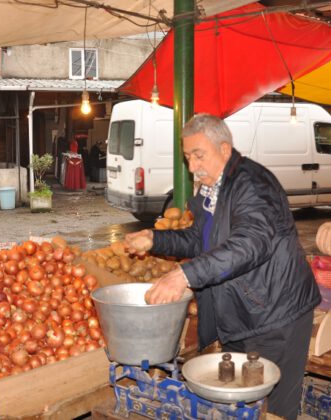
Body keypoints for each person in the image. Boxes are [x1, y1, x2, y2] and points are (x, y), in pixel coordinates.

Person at [125, 114, 320, 419]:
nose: (192, 166)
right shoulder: (210, 188)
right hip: (243, 312)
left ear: (225, 150)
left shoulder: (253, 184)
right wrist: (155, 239)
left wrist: (186, 275)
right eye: (188, 157)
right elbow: (197, 239)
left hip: (275, 314)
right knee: (245, 404)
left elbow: (251, 243)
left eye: (199, 155)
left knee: (275, 409)